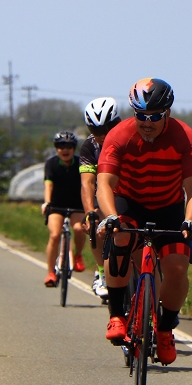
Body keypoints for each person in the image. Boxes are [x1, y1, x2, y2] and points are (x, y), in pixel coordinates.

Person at [96, 78, 192, 366]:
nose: (147, 122)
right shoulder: (119, 136)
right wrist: (110, 217)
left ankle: (166, 329)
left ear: (167, 112)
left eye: (154, 116)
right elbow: (104, 182)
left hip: (169, 207)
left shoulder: (186, 138)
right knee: (119, 237)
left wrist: (190, 222)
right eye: (141, 115)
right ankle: (117, 315)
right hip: (129, 203)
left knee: (177, 268)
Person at [79, 97, 122, 302]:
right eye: (96, 131)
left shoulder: (130, 137)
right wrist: (89, 212)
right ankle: (102, 274)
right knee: (94, 223)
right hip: (104, 196)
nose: (102, 136)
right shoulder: (89, 147)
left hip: (130, 194)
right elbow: (87, 183)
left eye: (107, 129)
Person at [42, 130, 87, 287]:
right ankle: (50, 273)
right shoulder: (51, 164)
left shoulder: (81, 163)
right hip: (56, 205)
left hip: (77, 205)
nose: (65, 150)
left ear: (74, 148)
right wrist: (47, 203)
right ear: (56, 148)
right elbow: (48, 185)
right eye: (61, 146)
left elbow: (87, 184)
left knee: (80, 229)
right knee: (54, 235)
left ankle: (78, 255)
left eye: (68, 146)